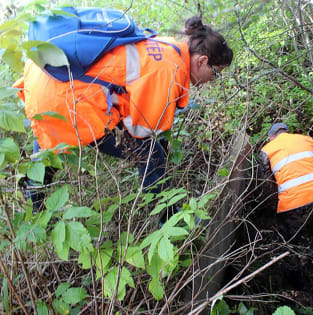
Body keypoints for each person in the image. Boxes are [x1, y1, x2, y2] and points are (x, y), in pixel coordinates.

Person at [14, 16, 233, 209]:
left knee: (47, 149)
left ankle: (35, 208)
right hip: (65, 96)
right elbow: (141, 129)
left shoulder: (168, 46)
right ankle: (166, 216)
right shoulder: (169, 69)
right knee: (151, 155)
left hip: (45, 77)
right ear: (202, 61)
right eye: (216, 73)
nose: (213, 80)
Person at [258, 122, 313, 242]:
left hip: (294, 202)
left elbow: (267, 186)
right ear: (287, 132)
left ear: (271, 138)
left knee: (292, 238)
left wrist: (273, 207)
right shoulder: (307, 140)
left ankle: (298, 256)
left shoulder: (267, 150)